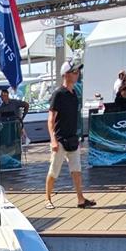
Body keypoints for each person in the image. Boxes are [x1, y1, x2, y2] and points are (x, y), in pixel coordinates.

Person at [45, 61, 96, 210]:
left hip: (72, 139)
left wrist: (77, 137)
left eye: (77, 72)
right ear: (66, 75)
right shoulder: (58, 94)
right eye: (74, 72)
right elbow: (51, 119)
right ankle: (47, 199)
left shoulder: (74, 95)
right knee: (54, 171)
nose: (77, 74)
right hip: (60, 139)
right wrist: (53, 140)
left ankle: (81, 199)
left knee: (77, 171)